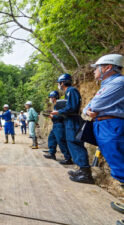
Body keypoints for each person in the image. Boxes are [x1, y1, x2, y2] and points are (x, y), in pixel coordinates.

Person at [83, 54, 124, 224]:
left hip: (112, 126)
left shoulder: (118, 82)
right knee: (119, 167)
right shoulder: (108, 84)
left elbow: (94, 106)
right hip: (104, 126)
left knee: (121, 167)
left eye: (96, 68)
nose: (93, 72)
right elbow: (88, 107)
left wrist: (91, 109)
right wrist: (90, 109)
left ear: (107, 67)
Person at [51, 74, 93, 184]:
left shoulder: (71, 91)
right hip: (70, 121)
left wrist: (59, 112)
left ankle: (86, 173)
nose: (58, 85)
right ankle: (81, 169)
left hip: (73, 121)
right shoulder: (68, 92)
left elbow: (72, 108)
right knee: (72, 143)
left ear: (62, 82)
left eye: (59, 83)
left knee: (75, 143)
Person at [44, 91, 73, 164]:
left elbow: (60, 115)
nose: (50, 99)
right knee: (52, 138)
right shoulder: (57, 104)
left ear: (53, 97)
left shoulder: (59, 104)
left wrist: (52, 116)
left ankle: (68, 158)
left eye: (51, 97)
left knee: (61, 141)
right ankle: (51, 153)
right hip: (56, 125)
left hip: (59, 125)